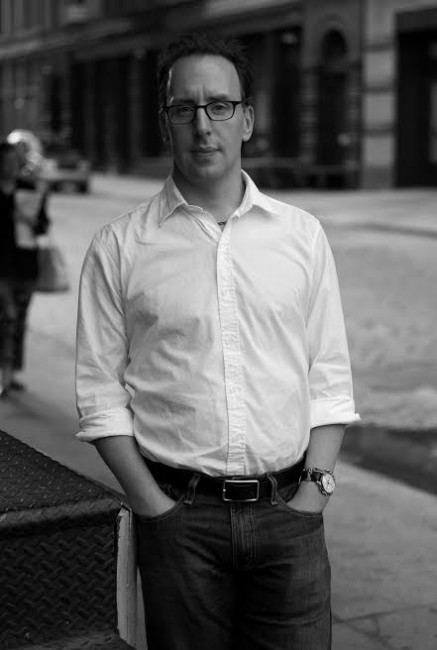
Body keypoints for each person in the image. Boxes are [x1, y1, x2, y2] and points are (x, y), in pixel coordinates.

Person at [76, 33, 360, 650]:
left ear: (247, 119)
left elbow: (329, 381)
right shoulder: (119, 247)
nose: (204, 125)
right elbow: (99, 396)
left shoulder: (302, 236)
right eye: (186, 108)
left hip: (291, 516)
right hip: (179, 521)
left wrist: (314, 493)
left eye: (220, 106)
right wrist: (154, 507)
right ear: (166, 122)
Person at [0, 141, 50, 396]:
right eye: (5, 161)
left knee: (19, 321)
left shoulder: (28, 189)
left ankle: (12, 373)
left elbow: (43, 227)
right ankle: (5, 376)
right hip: (2, 269)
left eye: (13, 161)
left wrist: (33, 220)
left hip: (25, 265)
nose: (10, 167)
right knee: (7, 318)